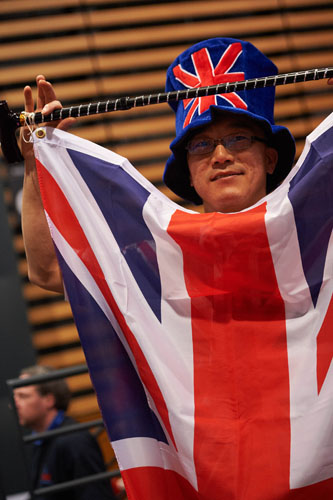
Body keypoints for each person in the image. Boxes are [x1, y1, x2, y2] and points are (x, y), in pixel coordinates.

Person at [18, 38, 332, 499]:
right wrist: (35, 164)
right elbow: (47, 270)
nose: (220, 154)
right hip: (203, 477)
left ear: (269, 156)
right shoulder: (154, 256)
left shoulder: (322, 233)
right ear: (188, 170)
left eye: (238, 136)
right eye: (201, 145)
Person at [14, 365, 117, 500]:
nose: (14, 404)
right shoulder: (42, 438)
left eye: (23, 396)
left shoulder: (75, 441)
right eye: (15, 396)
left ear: (49, 400)